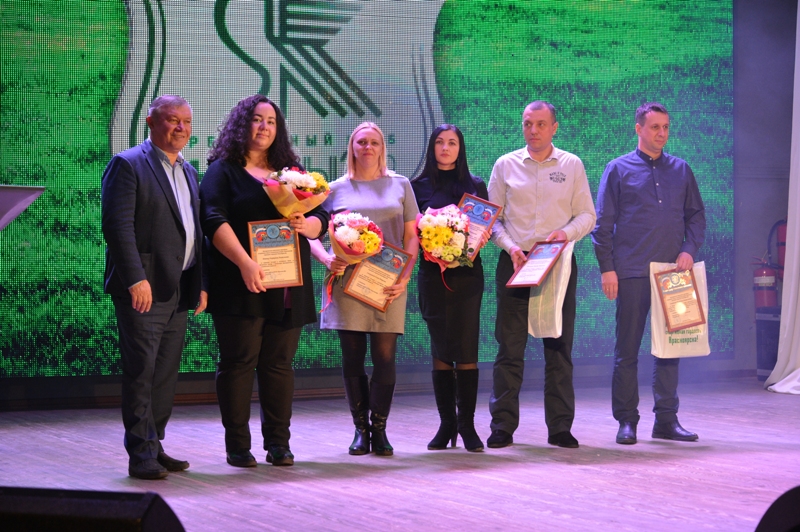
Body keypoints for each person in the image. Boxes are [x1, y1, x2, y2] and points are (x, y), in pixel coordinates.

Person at [199, 95, 328, 467]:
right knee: (238, 363)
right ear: (243, 124)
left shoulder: (291, 173)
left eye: (271, 121)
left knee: (279, 365)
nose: (264, 127)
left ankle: (278, 444)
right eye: (257, 119)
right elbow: (212, 219)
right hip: (240, 281)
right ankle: (238, 445)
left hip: (286, 284)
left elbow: (321, 215)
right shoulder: (222, 170)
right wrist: (244, 263)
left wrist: (308, 223)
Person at [101, 94, 207, 480]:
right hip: (144, 288)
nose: (181, 128)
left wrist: (201, 283)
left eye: (187, 122)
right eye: (172, 119)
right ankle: (140, 453)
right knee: (142, 372)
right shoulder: (128, 164)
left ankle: (154, 444)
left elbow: (195, 232)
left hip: (178, 288)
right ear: (151, 121)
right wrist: (135, 279)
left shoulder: (189, 170)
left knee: (164, 375)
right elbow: (117, 227)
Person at [591, 102, 706, 445]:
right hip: (631, 272)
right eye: (655, 127)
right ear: (638, 128)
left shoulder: (681, 169)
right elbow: (602, 225)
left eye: (666, 127)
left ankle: (666, 420)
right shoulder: (618, 169)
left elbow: (696, 216)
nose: (662, 133)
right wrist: (608, 269)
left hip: (673, 273)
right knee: (627, 351)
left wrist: (688, 250)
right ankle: (627, 420)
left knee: (671, 349)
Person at [486, 101, 596, 450]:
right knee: (509, 347)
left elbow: (587, 216)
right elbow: (492, 220)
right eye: (527, 123)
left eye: (540, 124)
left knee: (559, 347)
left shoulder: (571, 164)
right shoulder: (505, 164)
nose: (533, 130)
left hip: (556, 265)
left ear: (554, 127)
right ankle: (502, 426)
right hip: (516, 263)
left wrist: (564, 234)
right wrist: (510, 247)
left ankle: (560, 427)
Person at [310, 122, 419, 457]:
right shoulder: (335, 189)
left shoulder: (401, 184)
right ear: (352, 147)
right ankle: (361, 430)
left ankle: (379, 428)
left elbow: (412, 235)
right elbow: (311, 232)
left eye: (374, 142)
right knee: (353, 357)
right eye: (361, 142)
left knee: (385, 357)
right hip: (348, 284)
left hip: (388, 284)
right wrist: (326, 258)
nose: (368, 147)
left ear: (382, 148)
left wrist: (406, 275)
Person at [411, 125, 490, 452]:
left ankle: (467, 425)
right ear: (432, 147)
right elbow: (411, 232)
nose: (445, 148)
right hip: (432, 277)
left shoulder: (475, 185)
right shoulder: (416, 187)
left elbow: (482, 229)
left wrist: (480, 237)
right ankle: (446, 425)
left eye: (452, 142)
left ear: (461, 148)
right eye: (440, 142)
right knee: (441, 350)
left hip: (467, 278)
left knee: (466, 349)